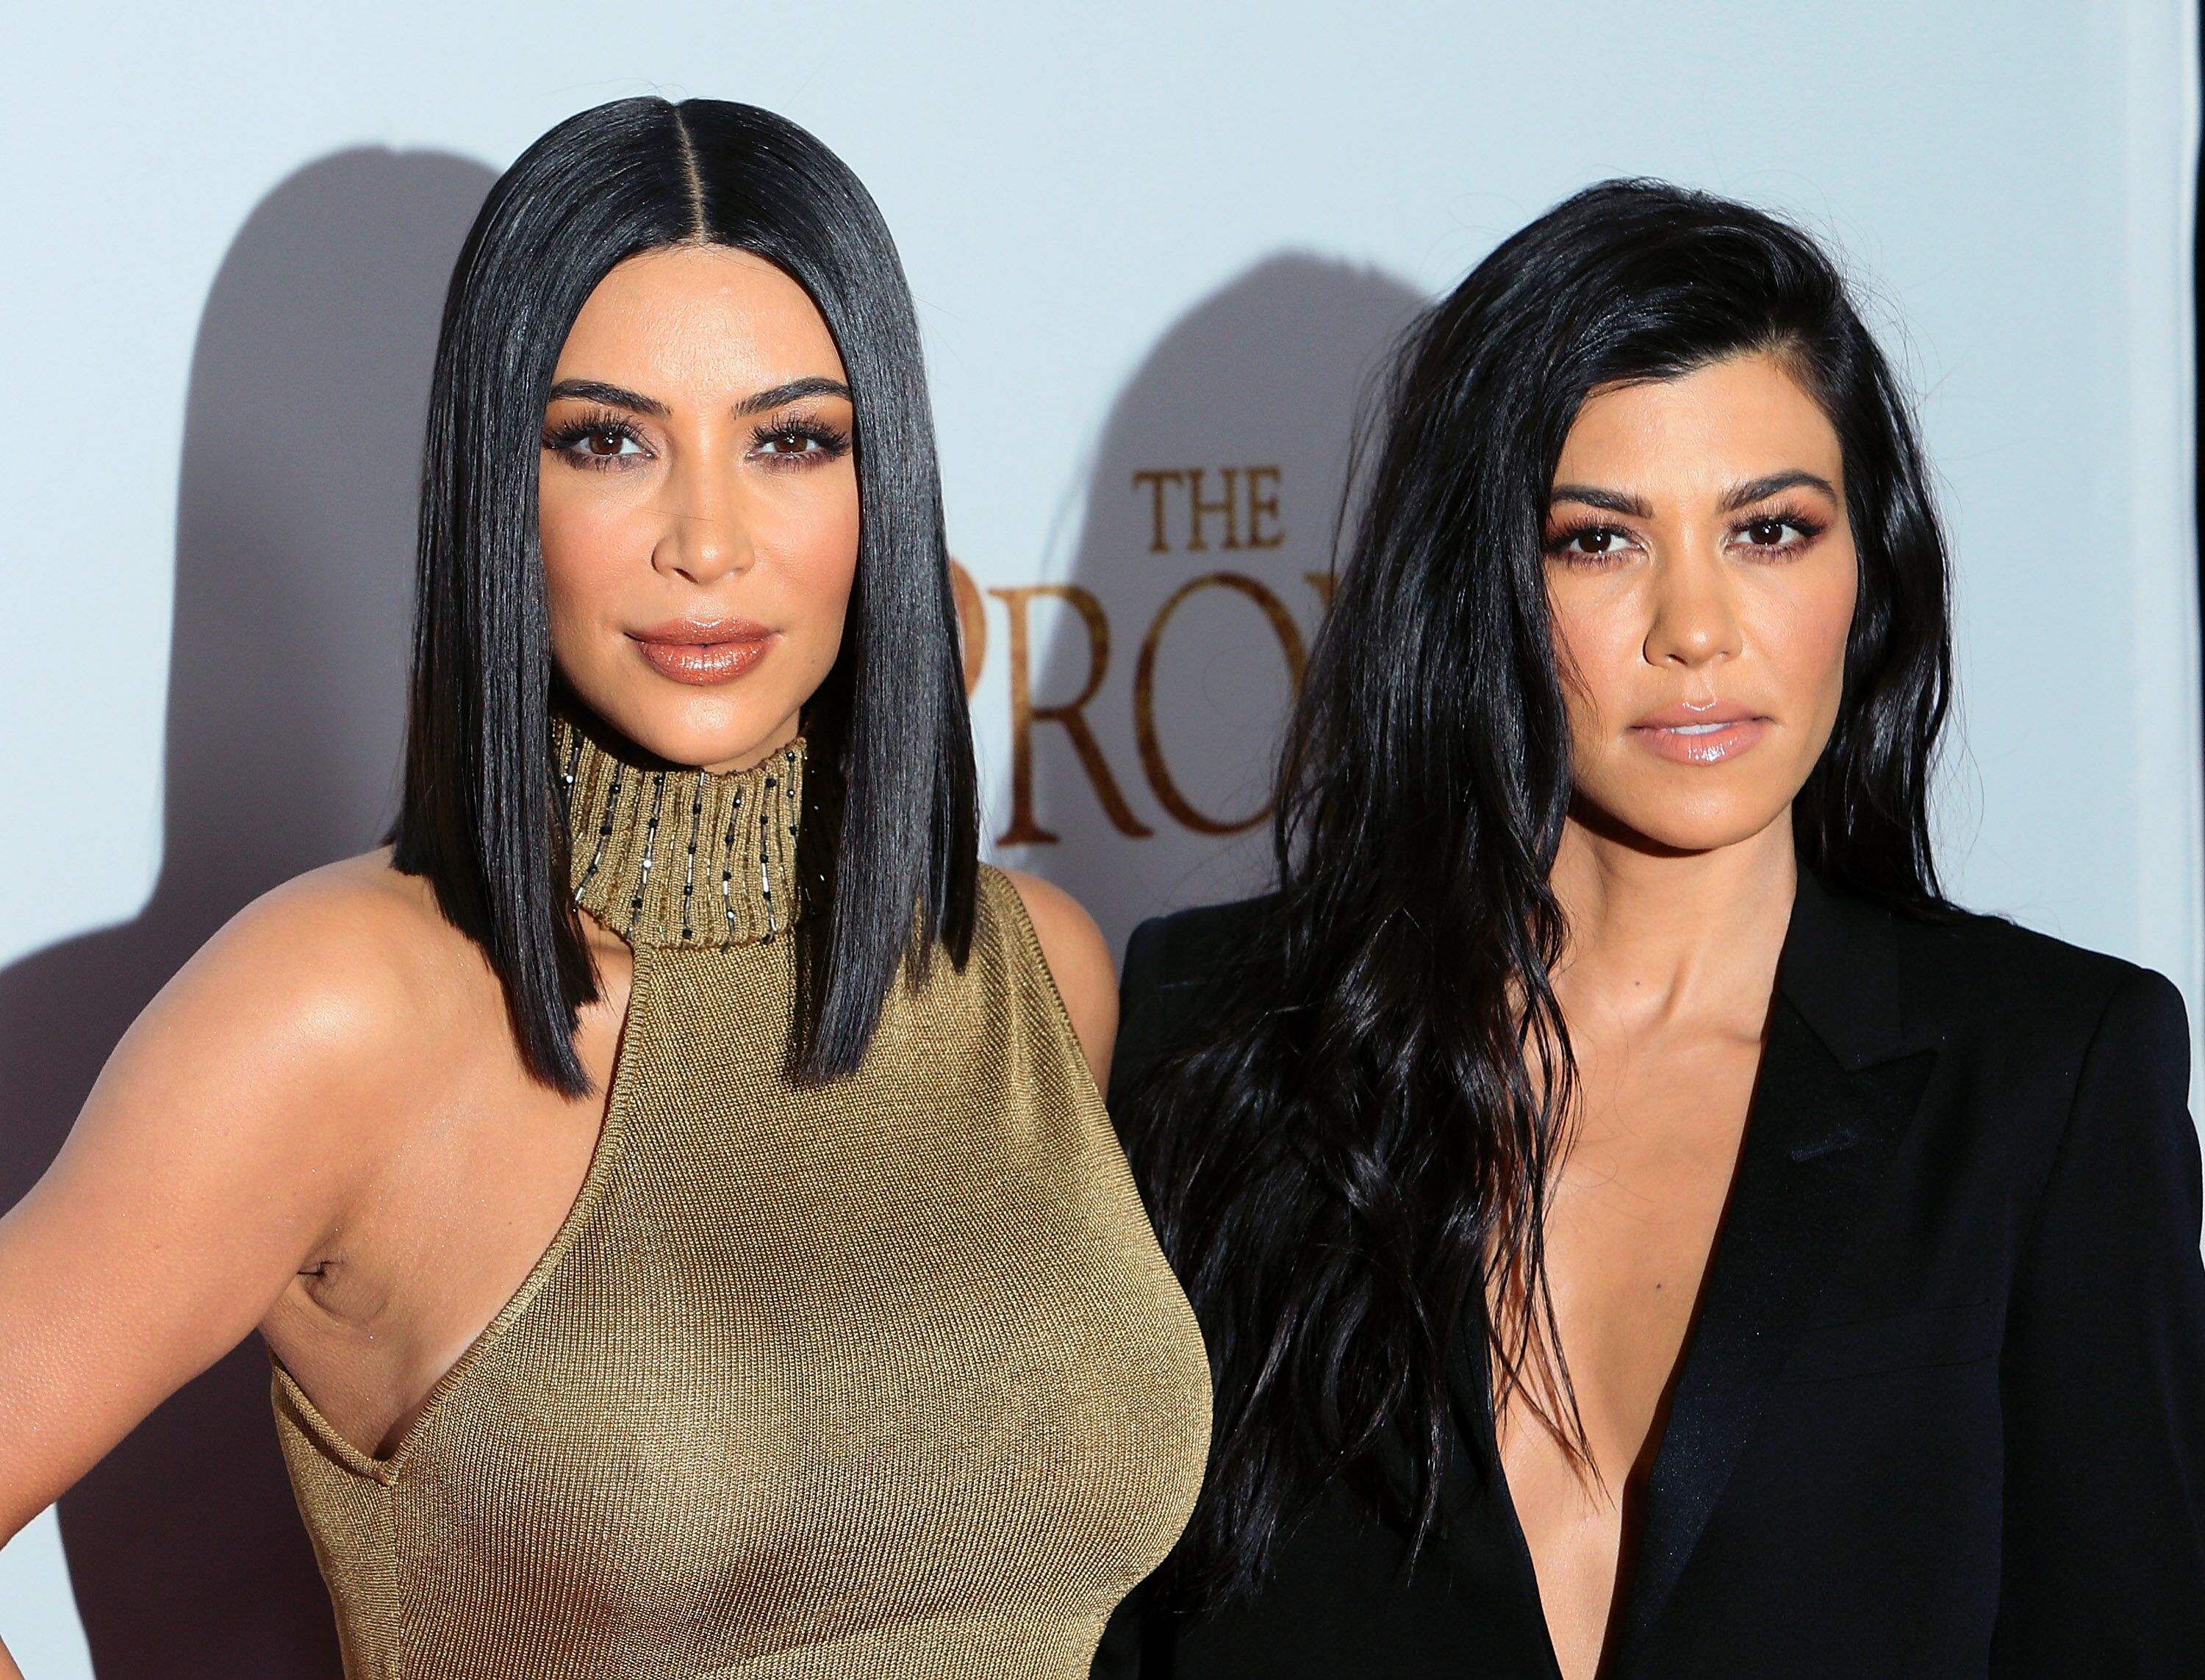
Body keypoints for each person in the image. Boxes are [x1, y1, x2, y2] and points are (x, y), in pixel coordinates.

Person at [0, 98, 1208, 1680]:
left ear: (883, 482)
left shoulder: (1032, 969)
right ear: (505, 488)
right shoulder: (341, 1005)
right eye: (608, 442)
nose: (706, 543)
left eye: (791, 439)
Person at [1095, 181, 2205, 1678]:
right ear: (1480, 582)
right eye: (1599, 540)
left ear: (1866, 572)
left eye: (1769, 530)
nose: (1697, 628)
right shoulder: (1215, 1040)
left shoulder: (2046, 1080)